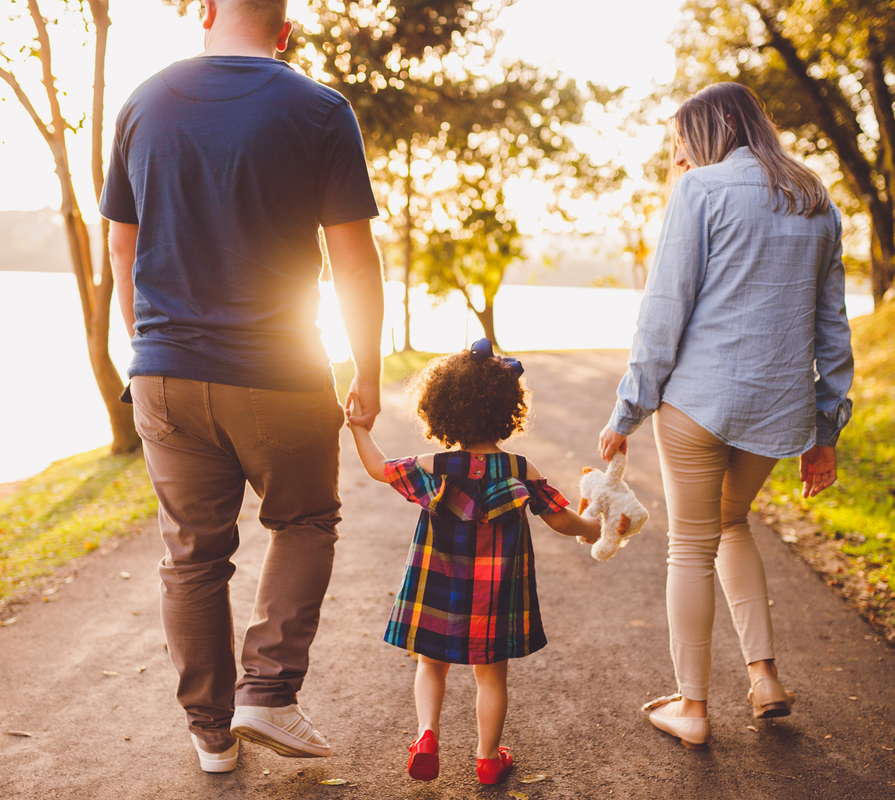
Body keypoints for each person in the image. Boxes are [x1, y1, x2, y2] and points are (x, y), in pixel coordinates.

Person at [99, 0, 384, 774]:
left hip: (163, 371)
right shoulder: (321, 110)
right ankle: (268, 690)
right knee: (304, 522)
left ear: (209, 13)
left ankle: (211, 734)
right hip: (281, 373)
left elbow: (121, 253)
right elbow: (354, 262)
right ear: (284, 30)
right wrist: (368, 370)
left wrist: (148, 349)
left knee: (192, 557)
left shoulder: (142, 102)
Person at [598, 82, 854, 750]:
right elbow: (833, 330)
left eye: (683, 142)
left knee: (692, 543)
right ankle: (765, 678)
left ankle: (693, 707)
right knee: (732, 521)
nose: (679, 156)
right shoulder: (816, 202)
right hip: (778, 409)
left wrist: (626, 410)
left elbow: (663, 311)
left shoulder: (700, 193)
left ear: (712, 133)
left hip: (697, 405)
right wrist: (826, 432)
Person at [346, 339, 602, 785]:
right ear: (508, 410)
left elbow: (377, 468)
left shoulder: (433, 465)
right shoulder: (522, 469)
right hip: (496, 589)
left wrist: (358, 429)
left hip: (437, 584)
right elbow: (562, 520)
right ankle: (487, 758)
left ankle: (427, 736)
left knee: (430, 664)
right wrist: (594, 529)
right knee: (491, 678)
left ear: (441, 410)